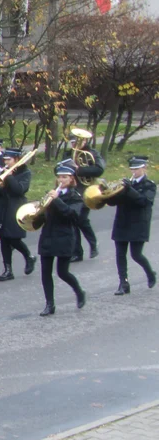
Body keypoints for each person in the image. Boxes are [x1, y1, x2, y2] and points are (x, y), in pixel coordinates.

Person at [37, 164, 88, 316]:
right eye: (59, 177)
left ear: (72, 179)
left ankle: (79, 291)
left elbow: (72, 215)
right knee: (45, 273)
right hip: (48, 235)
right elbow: (44, 215)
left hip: (65, 237)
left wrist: (56, 200)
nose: (61, 179)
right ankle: (49, 304)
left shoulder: (75, 197)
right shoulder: (51, 194)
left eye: (65, 177)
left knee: (62, 272)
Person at [107, 156, 157, 295]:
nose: (134, 171)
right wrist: (107, 193)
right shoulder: (125, 185)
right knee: (120, 255)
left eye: (137, 169)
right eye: (132, 168)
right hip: (122, 222)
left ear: (144, 168)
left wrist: (129, 189)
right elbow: (112, 203)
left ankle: (150, 273)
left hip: (138, 224)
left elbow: (144, 202)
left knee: (136, 255)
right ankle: (123, 283)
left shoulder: (149, 185)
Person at [0, 148, 37, 281]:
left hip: (16, 207)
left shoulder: (25, 172)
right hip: (3, 207)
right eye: (5, 159)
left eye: (9, 160)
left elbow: (19, 190)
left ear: (17, 159)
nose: (6, 162)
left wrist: (9, 176)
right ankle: (8, 269)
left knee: (13, 238)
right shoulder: (4, 171)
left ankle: (28, 256)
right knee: (3, 238)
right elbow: (2, 193)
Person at [64, 129, 104, 261]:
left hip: (87, 191)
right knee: (74, 221)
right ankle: (77, 252)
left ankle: (93, 244)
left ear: (85, 141)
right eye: (73, 142)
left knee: (81, 220)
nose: (75, 145)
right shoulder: (69, 154)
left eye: (78, 142)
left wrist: (79, 170)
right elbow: (60, 169)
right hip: (72, 191)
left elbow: (99, 169)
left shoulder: (92, 153)